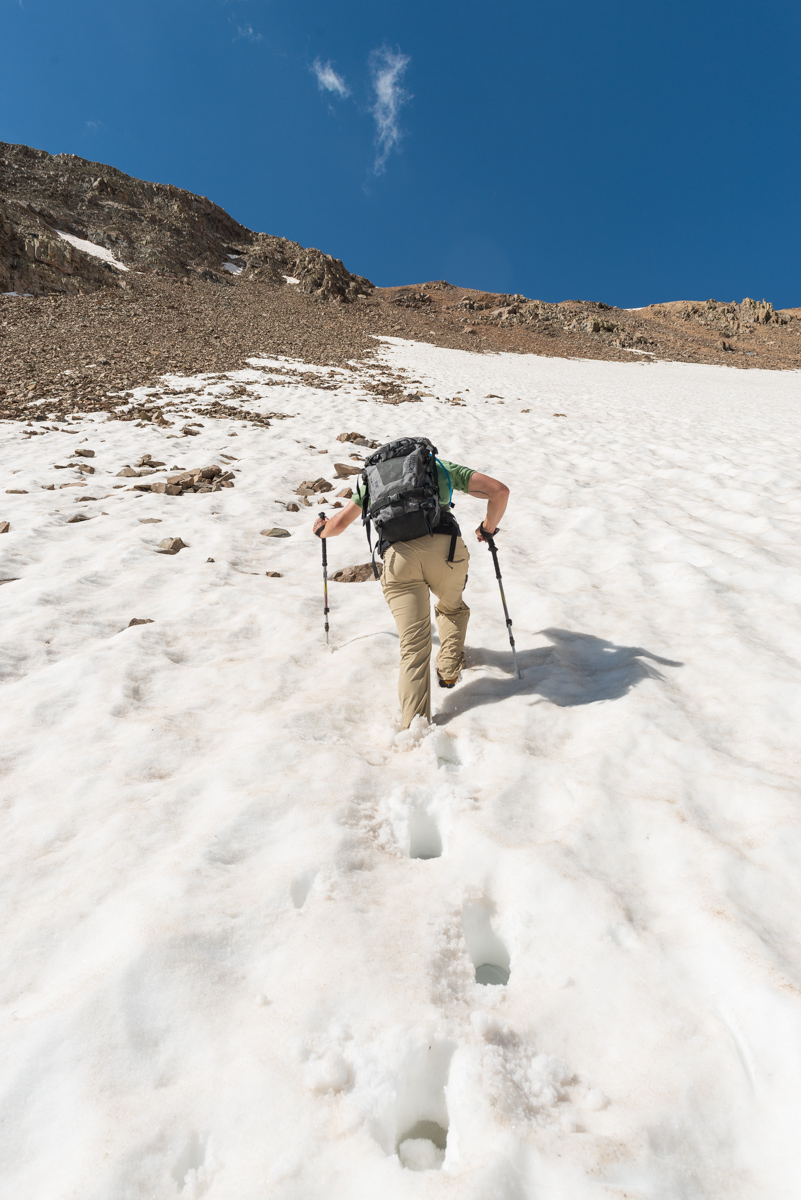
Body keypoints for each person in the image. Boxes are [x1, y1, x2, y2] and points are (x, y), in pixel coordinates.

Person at [313, 444, 509, 730]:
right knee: (451, 608)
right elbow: (499, 491)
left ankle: (414, 727)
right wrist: (487, 528)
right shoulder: (436, 466)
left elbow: (337, 526)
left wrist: (319, 528)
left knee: (413, 646)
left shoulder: (372, 480)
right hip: (446, 551)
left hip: (397, 561)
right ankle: (449, 671)